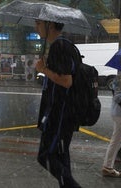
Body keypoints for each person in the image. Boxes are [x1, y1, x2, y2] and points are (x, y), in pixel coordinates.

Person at [35, 19, 81, 188]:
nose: (36, 27)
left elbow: (66, 81)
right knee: (61, 156)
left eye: (38, 23)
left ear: (50, 25)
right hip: (65, 113)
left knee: (45, 155)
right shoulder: (67, 45)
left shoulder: (59, 46)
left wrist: (43, 70)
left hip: (59, 114)